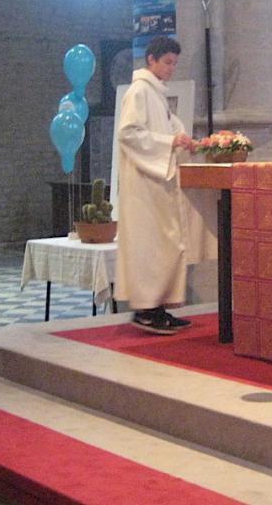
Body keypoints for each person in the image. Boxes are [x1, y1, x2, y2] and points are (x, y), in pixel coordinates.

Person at [114, 36, 196, 335]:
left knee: (164, 245)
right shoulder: (139, 91)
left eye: (174, 63)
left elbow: (171, 128)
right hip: (143, 183)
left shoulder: (156, 93)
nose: (171, 68)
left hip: (158, 180)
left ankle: (158, 306)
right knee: (150, 246)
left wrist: (183, 140)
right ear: (151, 59)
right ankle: (146, 310)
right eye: (167, 62)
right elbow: (128, 133)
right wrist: (169, 142)